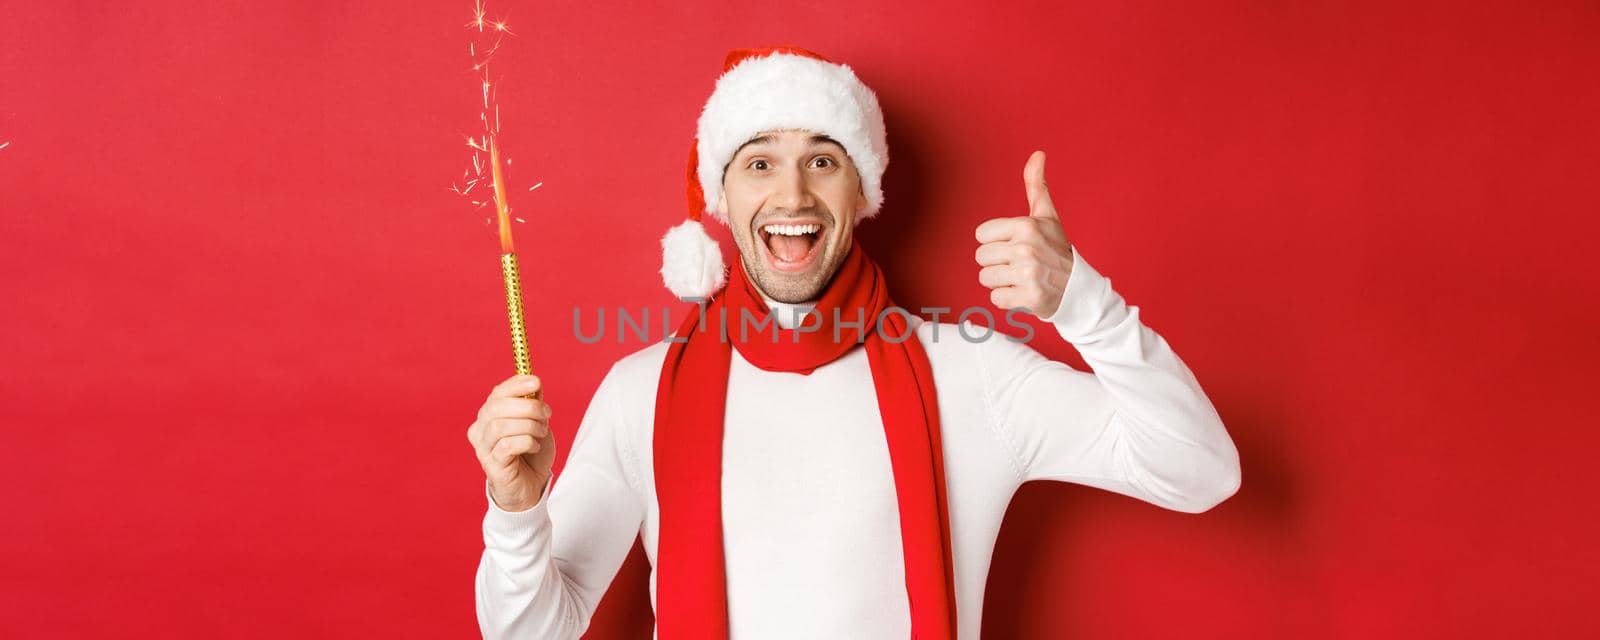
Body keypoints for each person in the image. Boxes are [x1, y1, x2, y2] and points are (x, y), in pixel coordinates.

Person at [466, 46, 1241, 640]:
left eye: (823, 161)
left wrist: (1083, 303)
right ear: (722, 198)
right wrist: (515, 511)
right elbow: (533, 628)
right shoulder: (642, 391)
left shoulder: (974, 374)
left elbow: (1201, 472)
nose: (792, 195)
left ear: (862, 192)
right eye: (760, 162)